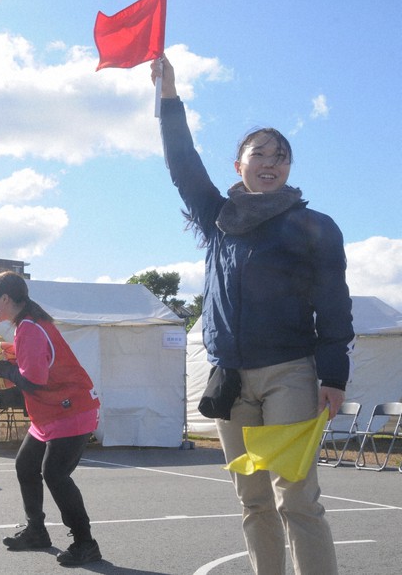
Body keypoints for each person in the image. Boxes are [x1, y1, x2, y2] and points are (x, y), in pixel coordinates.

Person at [151, 56, 354, 575]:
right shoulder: (218, 219)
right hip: (230, 378)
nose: (271, 161)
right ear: (237, 163)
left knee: (298, 499)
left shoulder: (314, 226)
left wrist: (333, 376)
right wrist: (169, 96)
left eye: (281, 156)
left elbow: (334, 304)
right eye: (258, 152)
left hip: (290, 372)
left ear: (289, 169)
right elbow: (181, 162)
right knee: (254, 501)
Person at [0, 271, 102, 567]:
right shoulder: (30, 324)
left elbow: (33, 380)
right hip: (51, 412)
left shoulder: (31, 329)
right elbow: (35, 379)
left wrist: (4, 371)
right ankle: (36, 531)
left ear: (6, 299)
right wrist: (10, 377)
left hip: (72, 411)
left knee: (55, 474)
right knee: (25, 465)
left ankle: (86, 544)